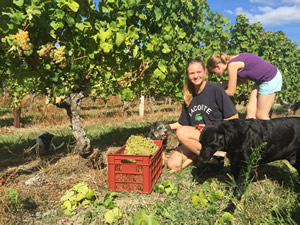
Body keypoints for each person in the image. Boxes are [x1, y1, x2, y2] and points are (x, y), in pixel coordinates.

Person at [167, 57, 239, 171]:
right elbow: (182, 123)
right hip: (199, 139)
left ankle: (215, 156)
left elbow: (234, 117)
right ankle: (205, 157)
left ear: (205, 72)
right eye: (192, 73)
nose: (196, 76)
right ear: (187, 75)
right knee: (173, 165)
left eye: (198, 72)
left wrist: (211, 127)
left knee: (181, 132)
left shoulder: (215, 88)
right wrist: (164, 127)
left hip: (216, 137)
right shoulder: (189, 96)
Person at [207, 52, 283, 119]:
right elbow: (242, 80)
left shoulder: (232, 65)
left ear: (217, 66)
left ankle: (270, 135)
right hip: (261, 79)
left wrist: (214, 94)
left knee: (261, 116)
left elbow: (231, 92)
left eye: (214, 72)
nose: (215, 74)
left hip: (270, 78)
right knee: (250, 112)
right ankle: (251, 134)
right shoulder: (233, 60)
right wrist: (223, 83)